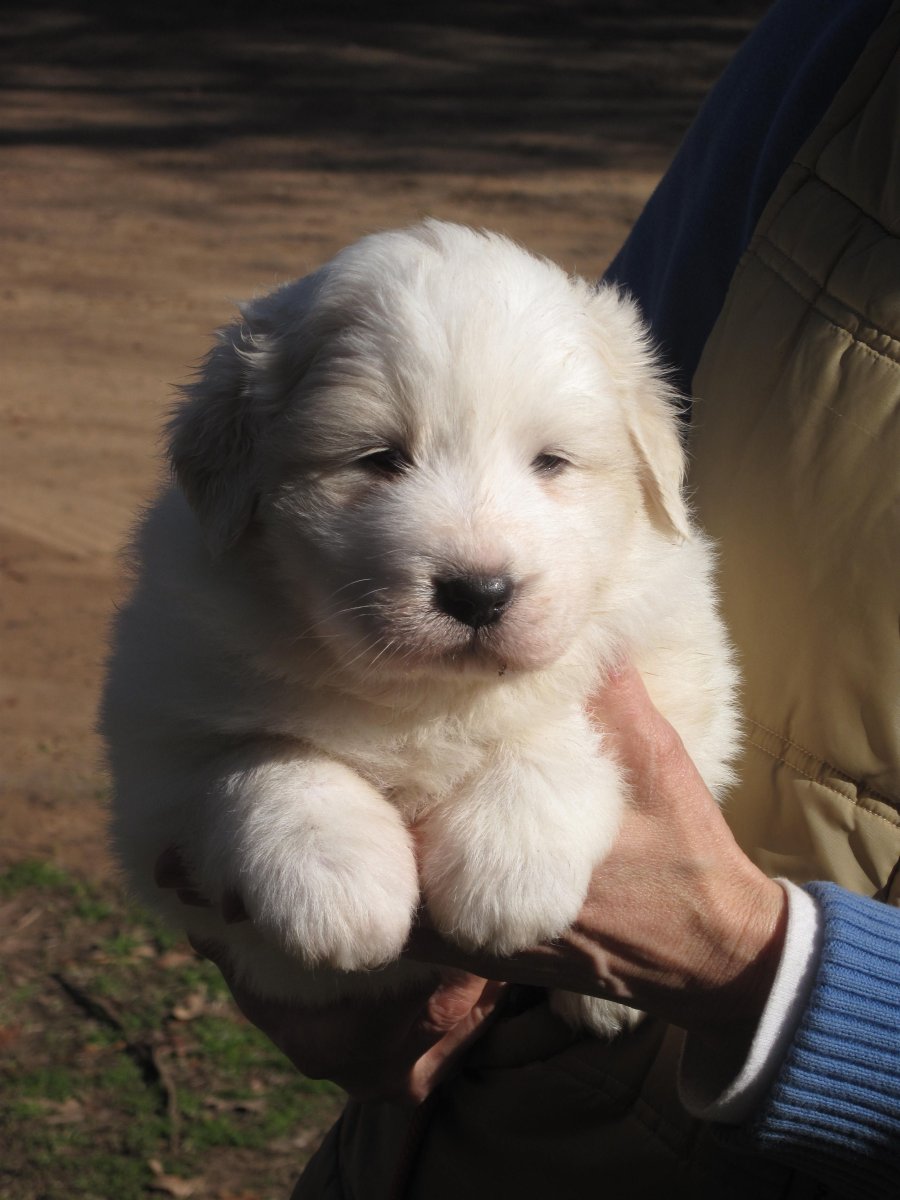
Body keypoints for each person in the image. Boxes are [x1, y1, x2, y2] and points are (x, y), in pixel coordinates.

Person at [170, 0, 900, 1195]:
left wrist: (763, 971)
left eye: (553, 467)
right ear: (233, 465)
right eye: (373, 460)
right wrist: (272, 803)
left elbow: (677, 667)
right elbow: (166, 764)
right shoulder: (848, 48)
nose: (480, 552)